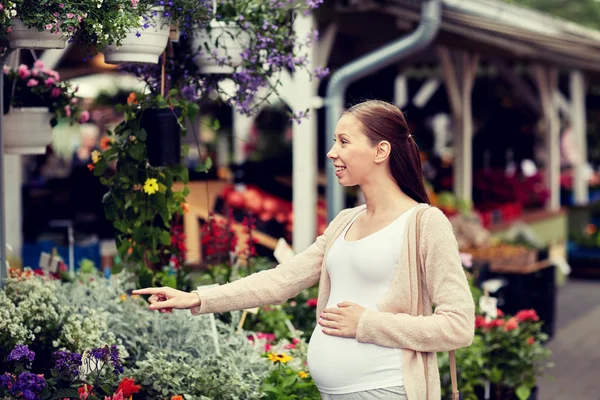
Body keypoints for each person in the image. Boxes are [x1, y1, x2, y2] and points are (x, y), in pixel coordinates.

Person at [133, 100, 475, 400]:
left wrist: (368, 323)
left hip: (386, 387)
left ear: (380, 151)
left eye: (343, 141)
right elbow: (282, 280)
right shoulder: (345, 220)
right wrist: (198, 298)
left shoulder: (425, 224)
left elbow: (458, 326)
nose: (332, 153)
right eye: (333, 141)